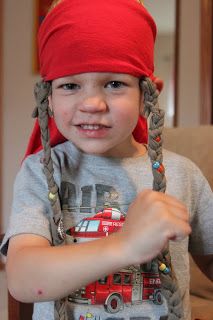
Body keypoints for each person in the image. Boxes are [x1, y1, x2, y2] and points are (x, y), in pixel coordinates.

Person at [1, 1, 212, 319]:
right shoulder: (41, 173)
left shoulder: (184, 174)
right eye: (70, 85)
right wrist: (126, 244)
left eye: (114, 84)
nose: (92, 103)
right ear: (48, 98)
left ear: (147, 94)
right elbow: (22, 279)